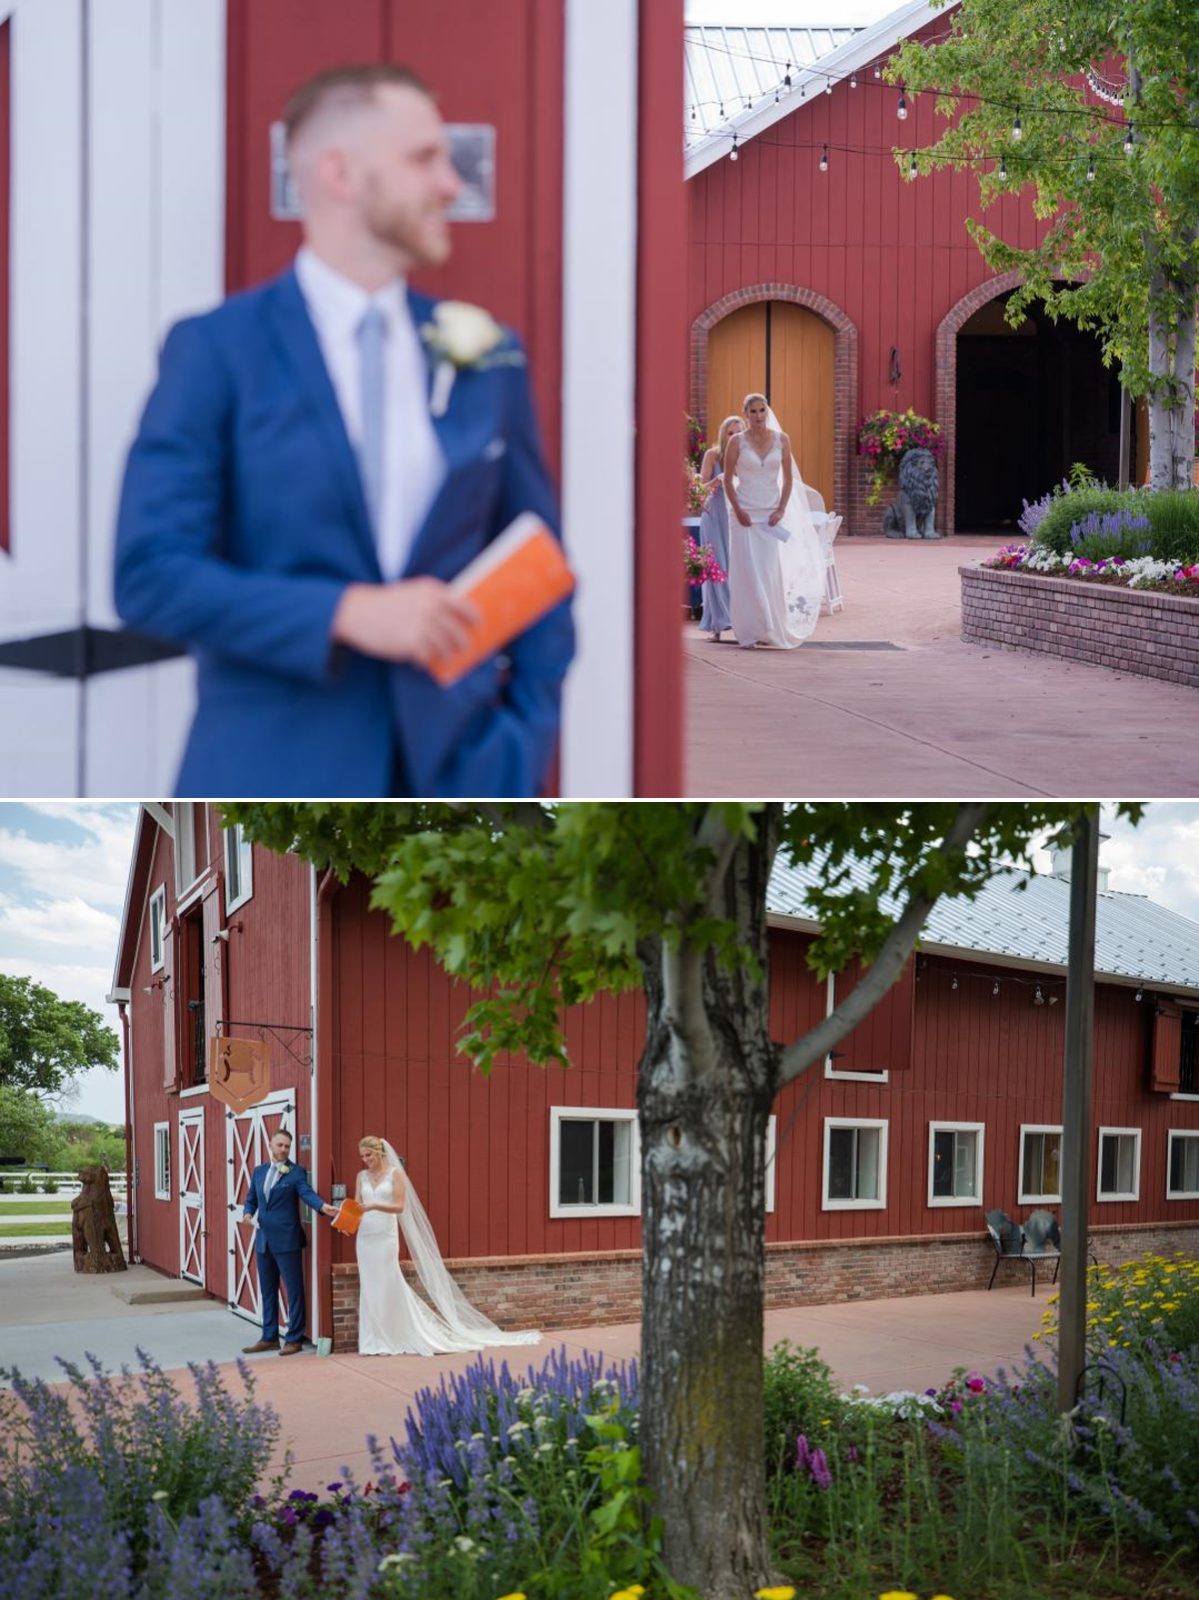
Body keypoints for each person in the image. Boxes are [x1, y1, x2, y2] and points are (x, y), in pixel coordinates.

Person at [114, 64, 574, 798]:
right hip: (272, 772)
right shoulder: (216, 351)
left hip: (463, 775)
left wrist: (520, 744)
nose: (450, 185)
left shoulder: (488, 355)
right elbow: (150, 575)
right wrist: (348, 613)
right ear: (340, 172)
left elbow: (540, 562)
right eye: (424, 158)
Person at [350, 1135, 540, 1356]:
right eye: (362, 1156)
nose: (365, 1160)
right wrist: (345, 1218)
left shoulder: (395, 1174)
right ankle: (373, 1339)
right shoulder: (361, 1176)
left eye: (369, 1155)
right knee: (370, 1285)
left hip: (385, 1234)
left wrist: (374, 1205)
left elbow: (400, 1206)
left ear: (380, 1152)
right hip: (365, 1237)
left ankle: (396, 1333)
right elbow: (356, 1206)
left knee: (389, 1282)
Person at [723, 394, 824, 649]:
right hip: (744, 515)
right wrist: (738, 509)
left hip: (769, 516)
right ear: (745, 414)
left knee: (767, 572)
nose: (758, 416)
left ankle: (769, 628)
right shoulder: (736, 442)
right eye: (753, 412)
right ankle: (750, 631)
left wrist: (780, 509)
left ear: (767, 412)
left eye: (762, 411)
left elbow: (788, 479)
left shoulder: (782, 440)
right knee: (747, 574)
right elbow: (726, 481)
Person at [241, 1128, 338, 1356]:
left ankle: (294, 1338)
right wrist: (247, 1213)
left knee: (294, 1290)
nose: (284, 1149)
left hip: (287, 1241)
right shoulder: (259, 1171)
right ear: (270, 1145)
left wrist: (323, 1207)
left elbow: (307, 1193)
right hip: (263, 1240)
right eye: (280, 1145)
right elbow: (251, 1199)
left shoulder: (295, 1172)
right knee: (267, 1291)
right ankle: (269, 1337)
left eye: (287, 1146)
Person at [696, 415, 743, 640]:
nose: (734, 437)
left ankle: (740, 619)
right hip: (714, 515)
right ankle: (717, 624)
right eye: (730, 433)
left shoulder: (745, 456)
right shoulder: (712, 455)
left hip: (736, 517)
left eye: (738, 433)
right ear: (724, 434)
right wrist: (715, 482)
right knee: (717, 567)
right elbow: (700, 488)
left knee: (738, 568)